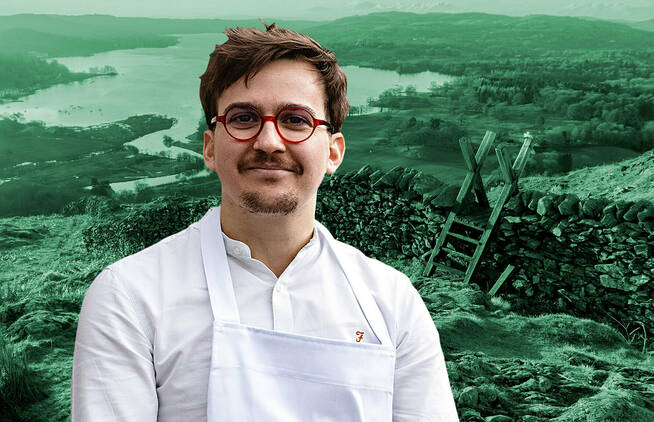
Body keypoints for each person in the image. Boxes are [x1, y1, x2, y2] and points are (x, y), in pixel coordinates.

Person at [72, 21, 458, 421]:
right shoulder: (130, 298)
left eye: (295, 120)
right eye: (243, 118)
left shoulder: (392, 302)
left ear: (333, 152)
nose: (269, 142)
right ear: (209, 147)